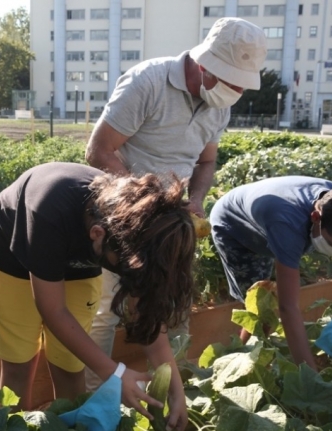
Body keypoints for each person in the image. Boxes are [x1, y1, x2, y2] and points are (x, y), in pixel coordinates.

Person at [84, 17, 267, 390]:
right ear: (206, 65)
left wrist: (196, 199)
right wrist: (143, 201)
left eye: (240, 85)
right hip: (121, 215)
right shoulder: (148, 81)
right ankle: (92, 395)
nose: (235, 91)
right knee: (104, 310)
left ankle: (171, 391)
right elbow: (99, 151)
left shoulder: (220, 105)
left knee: (175, 304)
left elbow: (206, 161)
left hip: (172, 221)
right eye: (230, 81)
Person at [0, 162, 196, 431]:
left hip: (79, 259)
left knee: (71, 364)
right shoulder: (49, 209)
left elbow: (147, 322)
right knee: (19, 363)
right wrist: (115, 374)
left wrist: (176, 394)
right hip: (15, 257)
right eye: (124, 269)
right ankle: (12, 425)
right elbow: (52, 310)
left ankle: (69, 425)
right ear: (97, 235)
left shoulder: (138, 232)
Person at [209, 176, 332, 373]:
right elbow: (288, 307)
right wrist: (311, 378)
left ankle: (251, 351)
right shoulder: (286, 225)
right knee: (257, 304)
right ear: (315, 218)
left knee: (266, 301)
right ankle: (236, 359)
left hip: (272, 215)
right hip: (235, 226)